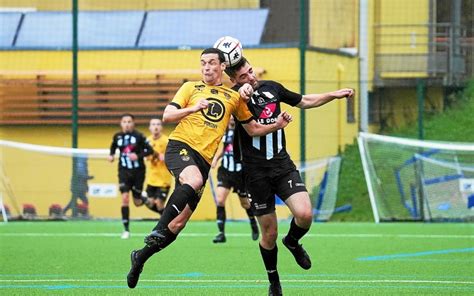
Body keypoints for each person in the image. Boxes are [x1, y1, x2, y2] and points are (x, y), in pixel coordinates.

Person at [126, 48, 293, 289]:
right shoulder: (190, 88)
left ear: (222, 66)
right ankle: (157, 229)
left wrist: (277, 124)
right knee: (191, 183)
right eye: (203, 63)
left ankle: (139, 257)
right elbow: (167, 115)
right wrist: (192, 109)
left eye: (212, 63)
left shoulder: (233, 97)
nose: (206, 67)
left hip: (203, 161)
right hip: (180, 146)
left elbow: (253, 129)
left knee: (178, 224)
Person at [225, 57, 354, 296]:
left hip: (282, 166)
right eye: (243, 76)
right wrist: (241, 95)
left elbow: (304, 100)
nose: (251, 78)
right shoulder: (232, 97)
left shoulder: (272, 87)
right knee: (269, 233)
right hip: (255, 173)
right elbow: (245, 125)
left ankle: (292, 242)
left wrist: (333, 95)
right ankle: (274, 280)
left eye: (251, 72)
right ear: (234, 80)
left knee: (305, 214)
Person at [211, 116, 258, 243]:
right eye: (230, 117)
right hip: (225, 172)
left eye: (234, 117)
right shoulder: (223, 132)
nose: (231, 119)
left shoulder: (243, 131)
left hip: (240, 173)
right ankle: (221, 233)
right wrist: (215, 160)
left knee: (245, 204)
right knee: (220, 200)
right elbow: (224, 149)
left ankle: (254, 224)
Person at [108, 113, 154, 239]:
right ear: (121, 123)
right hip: (123, 171)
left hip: (138, 172)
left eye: (129, 121)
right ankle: (126, 230)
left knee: (137, 202)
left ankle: (143, 197)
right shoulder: (117, 137)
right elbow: (113, 147)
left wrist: (138, 156)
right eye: (124, 121)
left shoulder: (139, 136)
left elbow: (150, 150)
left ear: (133, 123)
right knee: (124, 198)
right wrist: (111, 155)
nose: (127, 124)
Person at [144, 118, 172, 216]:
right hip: (152, 179)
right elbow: (146, 156)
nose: (156, 126)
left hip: (164, 179)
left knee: (159, 204)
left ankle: (165, 222)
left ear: (161, 127)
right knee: (149, 202)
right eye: (153, 124)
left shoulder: (166, 141)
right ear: (150, 127)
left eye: (158, 124)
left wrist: (166, 157)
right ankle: (168, 218)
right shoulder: (147, 140)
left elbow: (173, 156)